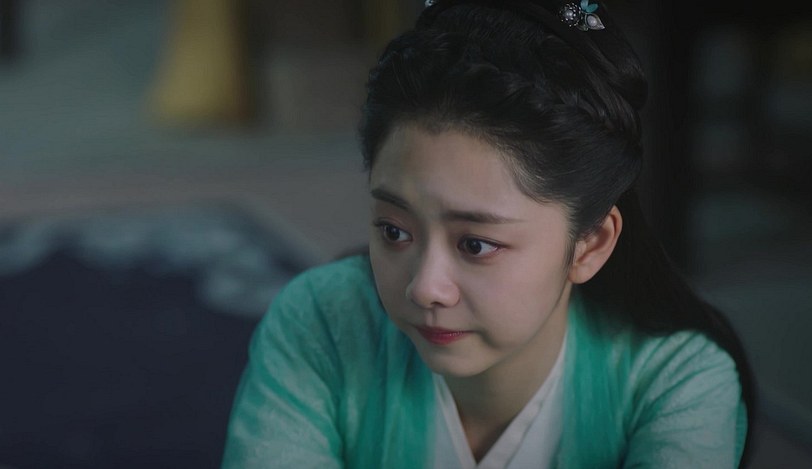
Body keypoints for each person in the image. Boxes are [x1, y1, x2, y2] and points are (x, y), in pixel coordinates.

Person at [220, 0, 756, 467]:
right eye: (394, 230)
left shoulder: (676, 382)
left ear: (590, 243)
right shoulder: (324, 323)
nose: (425, 288)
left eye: (475, 244)